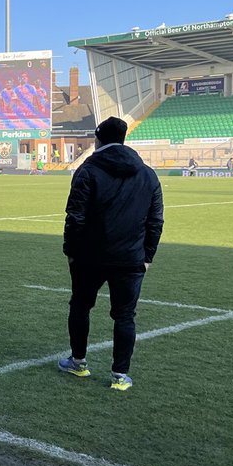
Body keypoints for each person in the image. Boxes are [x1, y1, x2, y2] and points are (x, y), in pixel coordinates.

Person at [59, 116, 164, 392]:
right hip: (130, 258)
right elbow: (155, 220)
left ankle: (78, 361)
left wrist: (71, 251)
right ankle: (120, 375)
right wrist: (147, 256)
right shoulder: (147, 174)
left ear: (97, 139)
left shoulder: (87, 170)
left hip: (89, 257)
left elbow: (75, 216)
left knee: (81, 306)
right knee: (125, 315)